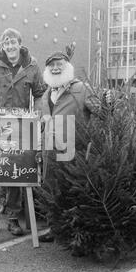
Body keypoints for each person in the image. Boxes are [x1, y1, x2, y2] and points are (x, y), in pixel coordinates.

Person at [0, 28, 46, 236]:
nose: (10, 45)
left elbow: (39, 93)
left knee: (15, 172)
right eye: (6, 42)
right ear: (2, 45)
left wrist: (39, 115)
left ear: (20, 43)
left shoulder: (31, 66)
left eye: (13, 42)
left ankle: (13, 218)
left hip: (20, 124)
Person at [38, 51, 108, 243]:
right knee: (51, 185)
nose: (55, 68)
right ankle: (54, 227)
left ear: (67, 67)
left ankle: (76, 230)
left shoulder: (82, 89)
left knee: (73, 187)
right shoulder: (46, 94)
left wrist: (91, 139)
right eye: (51, 66)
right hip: (50, 150)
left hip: (73, 149)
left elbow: (100, 112)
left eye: (59, 64)